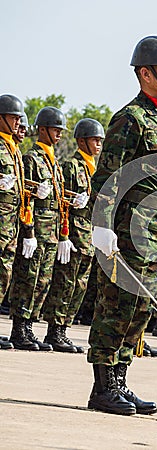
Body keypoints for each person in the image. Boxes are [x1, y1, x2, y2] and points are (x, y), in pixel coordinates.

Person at [87, 35, 157, 416]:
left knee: (139, 310)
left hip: (154, 237)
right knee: (116, 307)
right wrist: (101, 225)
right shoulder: (131, 119)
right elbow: (109, 176)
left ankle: (120, 383)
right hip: (126, 233)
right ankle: (102, 388)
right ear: (145, 73)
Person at [8, 106, 80, 352]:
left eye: (61, 130)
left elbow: (59, 202)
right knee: (28, 278)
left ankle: (29, 326)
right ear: (42, 129)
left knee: (43, 281)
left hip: (51, 232)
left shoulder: (54, 162)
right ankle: (19, 328)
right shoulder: (31, 158)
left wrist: (63, 234)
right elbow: (24, 196)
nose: (60, 133)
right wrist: (28, 231)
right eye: (55, 129)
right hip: (36, 229)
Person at [43, 118, 104, 352]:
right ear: (81, 141)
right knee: (65, 282)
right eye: (94, 140)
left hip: (89, 234)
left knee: (79, 285)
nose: (98, 144)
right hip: (74, 232)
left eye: (100, 140)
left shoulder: (96, 170)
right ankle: (54, 330)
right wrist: (63, 234)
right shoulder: (72, 167)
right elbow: (62, 202)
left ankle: (64, 328)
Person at [0, 94, 25, 350]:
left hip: (9, 226)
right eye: (13, 117)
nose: (18, 122)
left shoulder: (12, 149)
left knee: (3, 275)